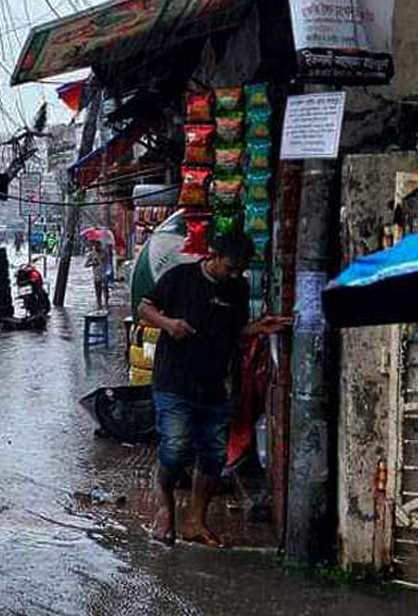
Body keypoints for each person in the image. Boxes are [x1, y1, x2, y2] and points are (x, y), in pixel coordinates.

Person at [136, 231, 289, 547]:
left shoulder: (238, 288)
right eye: (230, 267)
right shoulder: (180, 277)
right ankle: (165, 508)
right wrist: (169, 324)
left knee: (213, 455)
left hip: (215, 383)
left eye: (240, 270)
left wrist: (258, 328)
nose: (234, 274)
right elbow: (144, 308)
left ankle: (196, 521)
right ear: (213, 255)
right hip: (173, 381)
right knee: (176, 447)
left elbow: (234, 332)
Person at [85, 240, 112, 310]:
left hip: (104, 274)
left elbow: (108, 263)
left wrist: (108, 272)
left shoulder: (105, 252)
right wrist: (92, 263)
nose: (97, 246)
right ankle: (99, 304)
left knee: (105, 289)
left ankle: (106, 304)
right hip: (96, 275)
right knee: (98, 291)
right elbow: (86, 265)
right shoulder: (91, 254)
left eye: (98, 245)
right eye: (95, 245)